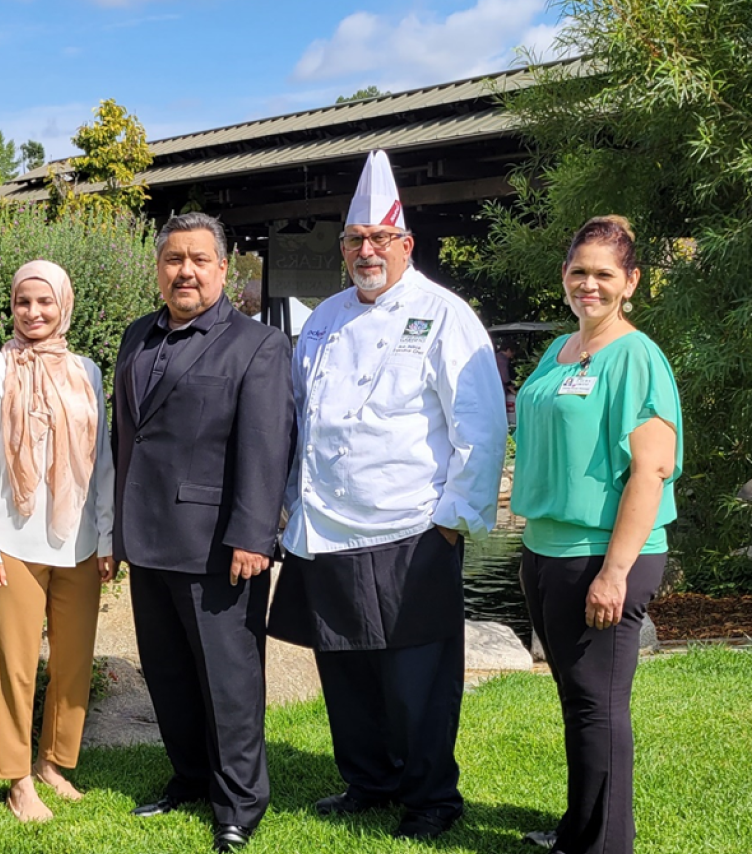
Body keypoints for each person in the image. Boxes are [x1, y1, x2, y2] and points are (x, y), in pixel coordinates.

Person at [268, 150, 508, 842]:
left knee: (416, 681)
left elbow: (481, 426)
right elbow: (300, 419)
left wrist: (454, 521)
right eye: (354, 240)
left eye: (380, 238)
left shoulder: (444, 314)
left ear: (406, 244)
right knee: (344, 671)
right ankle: (367, 781)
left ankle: (432, 799)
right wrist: (291, 503)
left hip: (410, 528)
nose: (366, 251)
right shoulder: (322, 319)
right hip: (326, 527)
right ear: (343, 248)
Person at [112, 212, 294, 853]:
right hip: (148, 537)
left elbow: (267, 448)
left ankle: (240, 803)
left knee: (229, 680)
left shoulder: (258, 345)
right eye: (172, 259)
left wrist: (254, 535)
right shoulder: (137, 337)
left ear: (223, 268)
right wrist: (116, 533)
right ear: (158, 268)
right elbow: (126, 441)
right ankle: (189, 776)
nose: (184, 271)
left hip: (222, 545)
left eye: (197, 260)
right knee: (167, 672)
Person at [511, 216, 681, 854]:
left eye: (604, 274)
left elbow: (651, 469)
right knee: (578, 700)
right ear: (563, 276)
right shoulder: (562, 349)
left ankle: (605, 844)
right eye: (579, 271)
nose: (590, 284)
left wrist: (614, 572)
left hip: (603, 556)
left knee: (598, 707)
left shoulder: (636, 356)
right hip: (546, 548)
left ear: (630, 282)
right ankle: (578, 830)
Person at [0, 260, 115, 823]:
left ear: (65, 305)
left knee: (73, 662)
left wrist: (107, 532)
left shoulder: (87, 371)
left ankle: (55, 763)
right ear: (12, 306)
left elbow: (102, 459)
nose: (34, 313)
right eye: (23, 302)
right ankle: (18, 777)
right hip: (10, 540)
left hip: (77, 541)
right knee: (14, 664)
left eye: (45, 302)